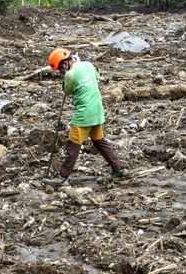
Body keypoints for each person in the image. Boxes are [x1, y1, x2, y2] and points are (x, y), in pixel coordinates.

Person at [44, 47, 127, 186]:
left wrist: (66, 79)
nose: (61, 72)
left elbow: (67, 91)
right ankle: (118, 169)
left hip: (84, 115)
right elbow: (97, 76)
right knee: (99, 141)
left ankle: (62, 176)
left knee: (73, 144)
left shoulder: (70, 75)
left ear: (65, 63)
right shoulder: (88, 65)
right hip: (97, 111)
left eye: (60, 69)